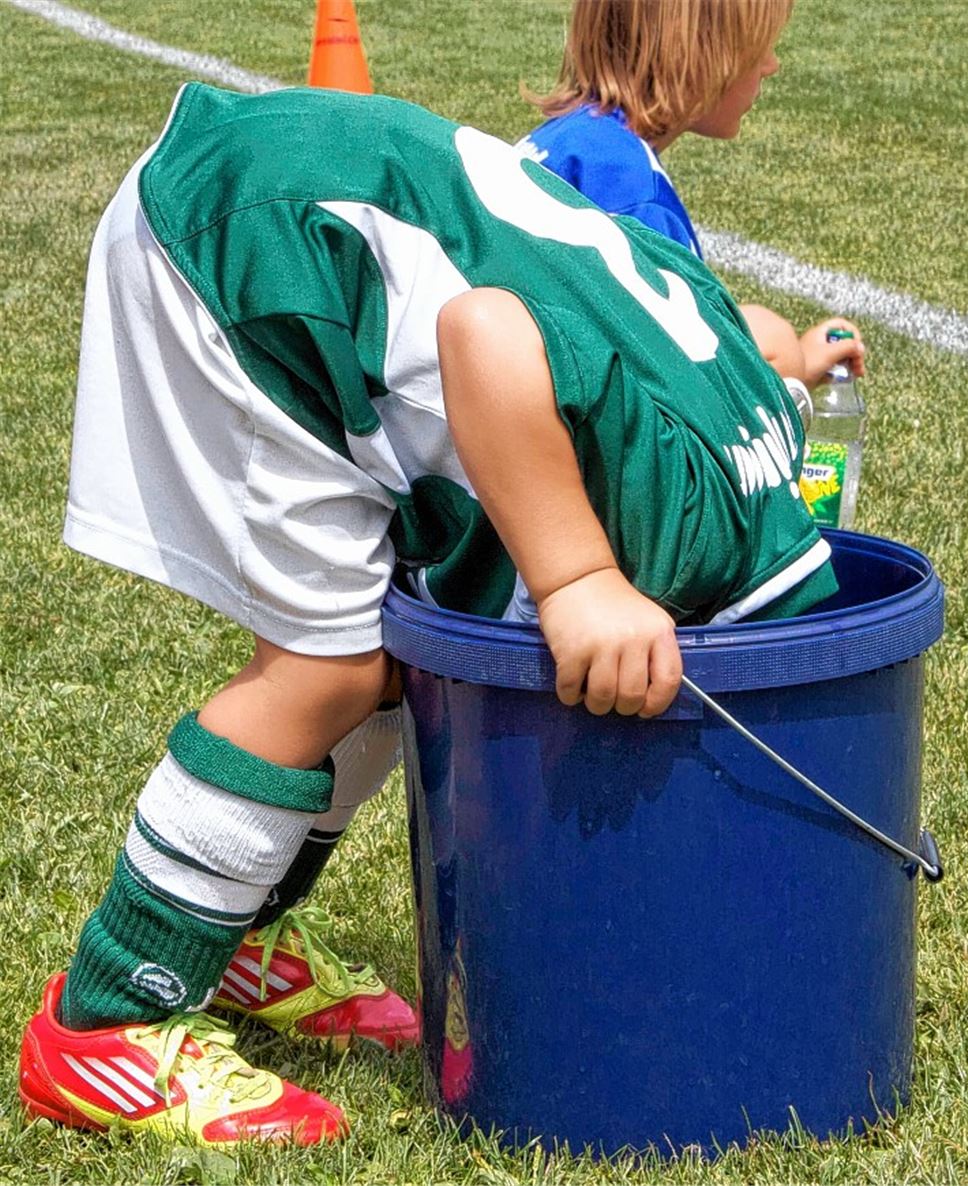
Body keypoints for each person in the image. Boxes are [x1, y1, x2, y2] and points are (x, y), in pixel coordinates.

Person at [19, 81, 837, 1147]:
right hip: (245, 244)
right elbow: (485, 330)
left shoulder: (736, 444)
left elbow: (735, 323)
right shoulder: (684, 529)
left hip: (305, 204)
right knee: (331, 667)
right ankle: (106, 1023)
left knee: (390, 654)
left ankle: (238, 933)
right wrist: (582, 578)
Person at [518, 0, 867, 401]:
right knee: (772, 342)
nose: (771, 65)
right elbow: (685, 389)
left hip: (488, 411)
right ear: (704, 56)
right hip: (548, 428)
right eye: (758, 49)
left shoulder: (563, 140)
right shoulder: (636, 202)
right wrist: (793, 373)